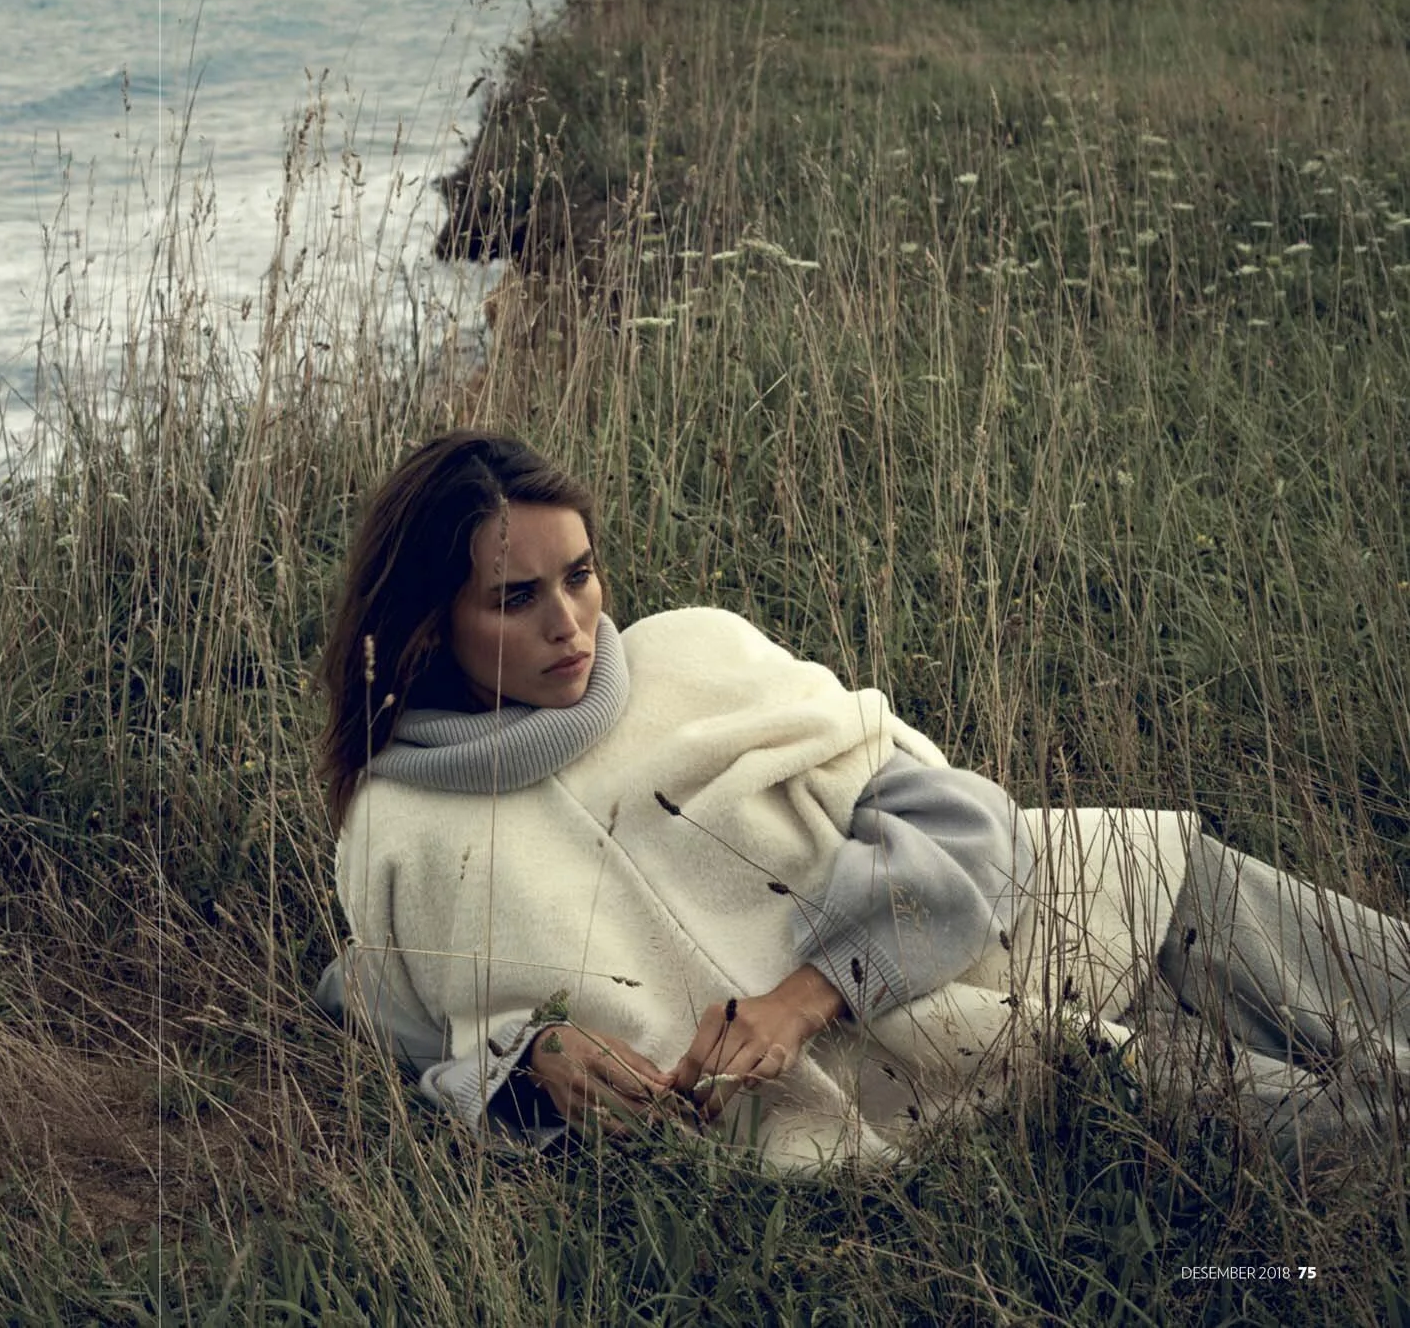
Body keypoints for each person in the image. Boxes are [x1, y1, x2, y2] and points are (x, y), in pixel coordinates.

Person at [310, 429, 1409, 1171]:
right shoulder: (403, 828)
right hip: (1017, 1052)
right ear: (425, 621)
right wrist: (531, 1063)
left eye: (581, 573)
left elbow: (961, 817)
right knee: (1365, 1139)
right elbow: (391, 1004)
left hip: (1122, 894)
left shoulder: (694, 655)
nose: (571, 623)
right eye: (517, 597)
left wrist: (801, 997)